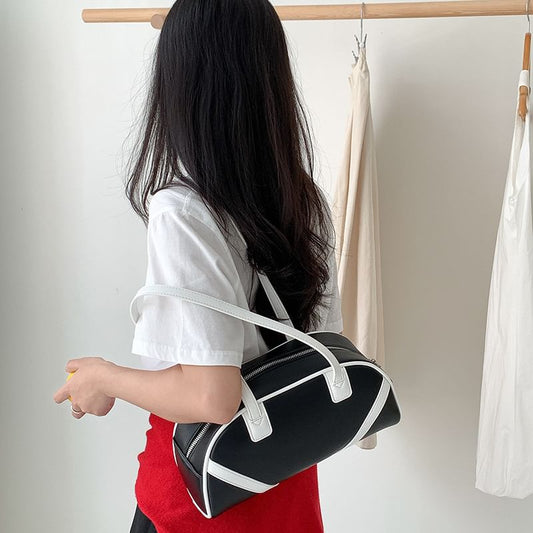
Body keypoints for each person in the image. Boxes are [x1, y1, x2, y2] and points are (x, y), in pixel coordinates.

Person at [54, 0, 343, 531]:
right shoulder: (305, 201)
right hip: (286, 494)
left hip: (198, 501)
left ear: (182, 83)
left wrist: (104, 378)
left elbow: (212, 398)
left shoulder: (183, 211)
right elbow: (322, 350)